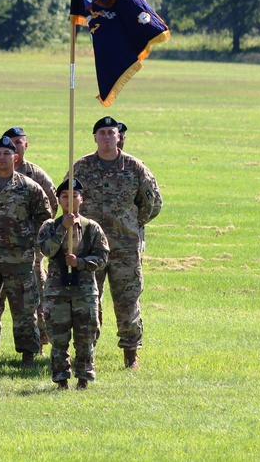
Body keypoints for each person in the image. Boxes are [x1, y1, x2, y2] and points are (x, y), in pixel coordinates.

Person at [70, 116, 162, 369]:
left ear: (119, 136)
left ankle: (131, 354)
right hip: (89, 248)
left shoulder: (134, 167)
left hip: (125, 248)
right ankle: (86, 353)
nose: (107, 137)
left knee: (127, 300)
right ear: (95, 138)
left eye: (111, 133)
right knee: (88, 299)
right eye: (102, 133)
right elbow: (67, 199)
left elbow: (153, 203)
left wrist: (132, 224)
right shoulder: (82, 167)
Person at [0, 136, 52, 368]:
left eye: (7, 154)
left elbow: (45, 217)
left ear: (15, 157)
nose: (2, 158)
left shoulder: (29, 187)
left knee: (25, 310)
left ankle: (28, 355)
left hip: (19, 259)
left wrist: (32, 241)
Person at [37, 179, 108, 390]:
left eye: (74, 196)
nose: (70, 200)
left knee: (85, 336)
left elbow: (103, 257)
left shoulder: (91, 228)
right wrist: (62, 229)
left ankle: (84, 376)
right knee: (58, 338)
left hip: (84, 291)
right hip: (57, 292)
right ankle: (60, 378)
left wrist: (81, 262)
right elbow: (46, 251)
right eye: (65, 196)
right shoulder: (49, 226)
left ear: (81, 199)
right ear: (59, 200)